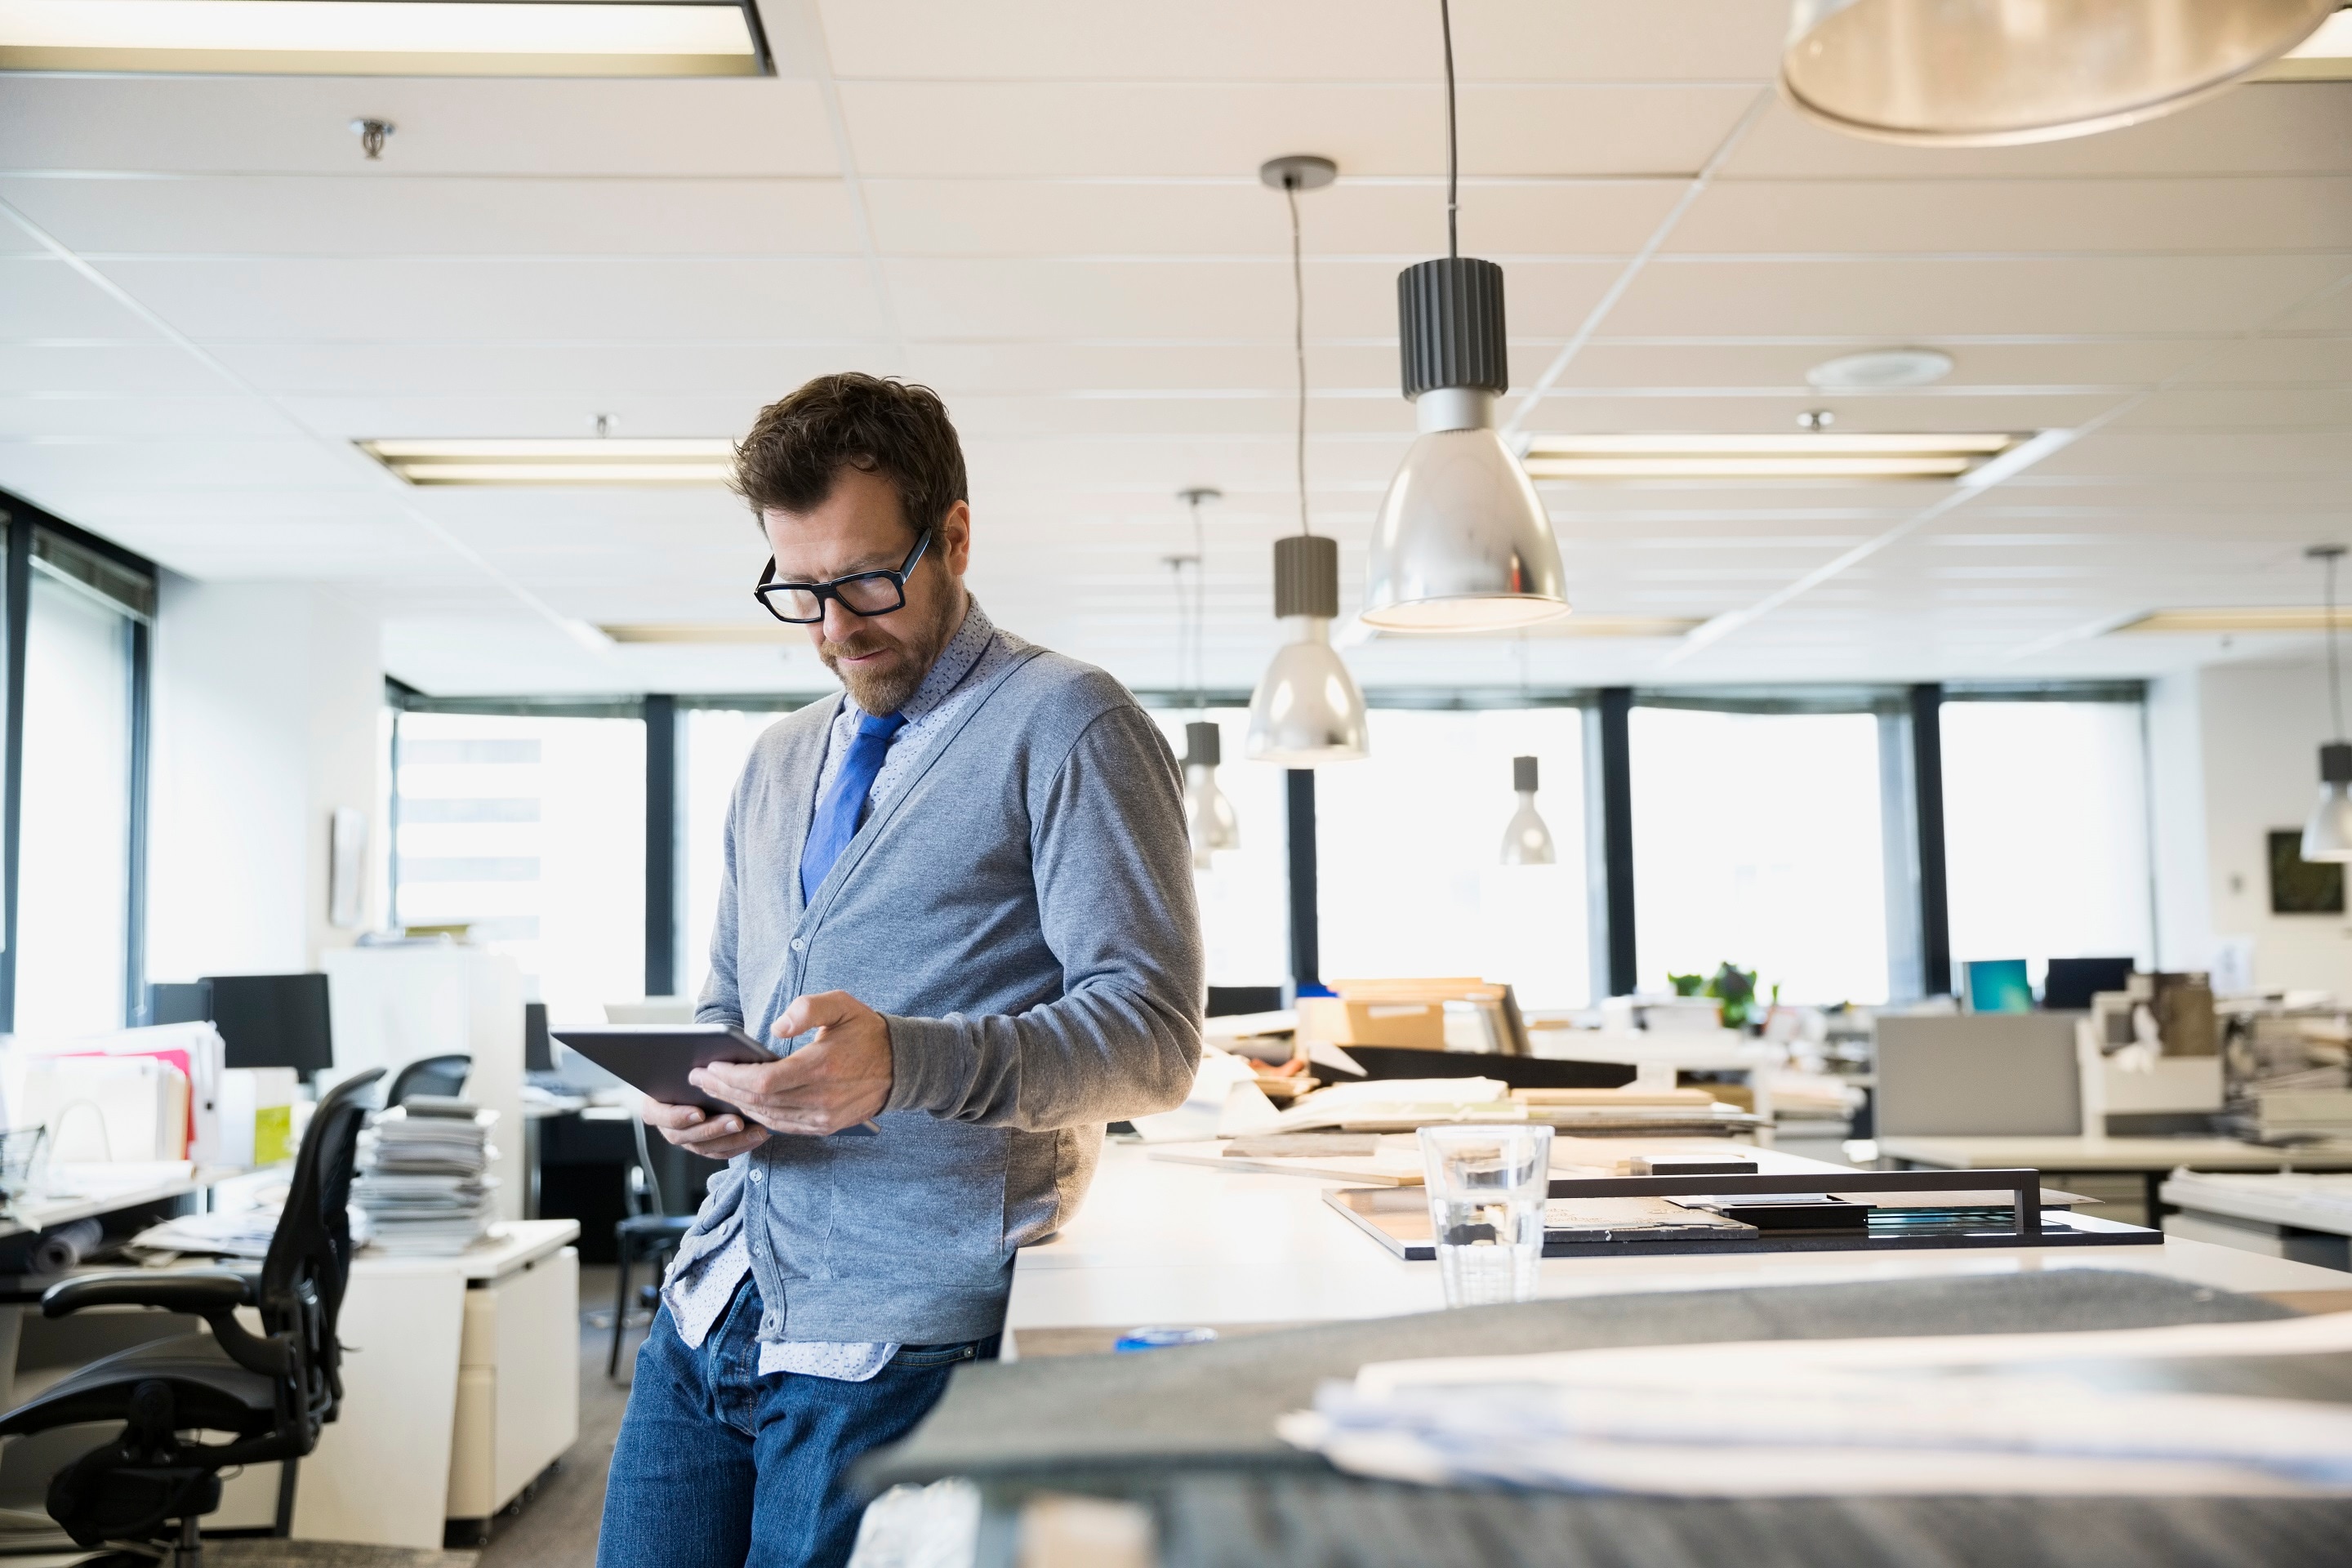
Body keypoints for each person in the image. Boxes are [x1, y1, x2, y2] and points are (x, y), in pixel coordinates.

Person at [596, 373, 1203, 1568]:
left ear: (956, 536)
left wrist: (906, 1062)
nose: (834, 626)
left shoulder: (1068, 723)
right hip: (714, 1302)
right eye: (800, 590)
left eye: (866, 580)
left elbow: (1154, 1041)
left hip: (899, 1335)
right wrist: (707, 1092)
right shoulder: (776, 762)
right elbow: (731, 1000)